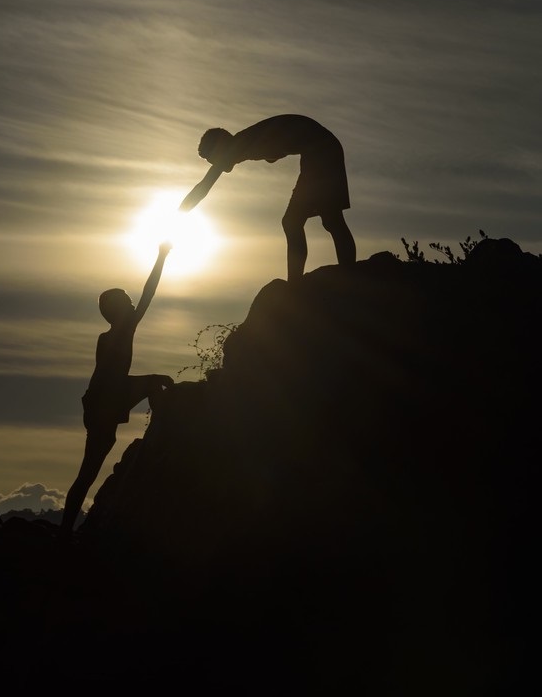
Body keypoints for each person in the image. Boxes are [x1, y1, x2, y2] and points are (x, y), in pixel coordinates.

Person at [59, 242, 174, 539]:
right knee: (88, 471)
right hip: (103, 400)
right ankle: (162, 433)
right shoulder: (122, 330)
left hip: (103, 398)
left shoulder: (113, 333)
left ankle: (64, 532)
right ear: (116, 311)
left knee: (89, 470)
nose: (133, 303)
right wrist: (161, 257)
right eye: (127, 301)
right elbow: (150, 292)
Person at [179, 114, 356, 281]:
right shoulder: (245, 141)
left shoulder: (236, 146)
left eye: (213, 159)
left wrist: (179, 213)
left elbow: (204, 186)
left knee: (296, 221)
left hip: (320, 150)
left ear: (221, 147)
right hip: (323, 147)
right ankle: (341, 272)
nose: (216, 165)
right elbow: (277, 144)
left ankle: (298, 282)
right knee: (327, 218)